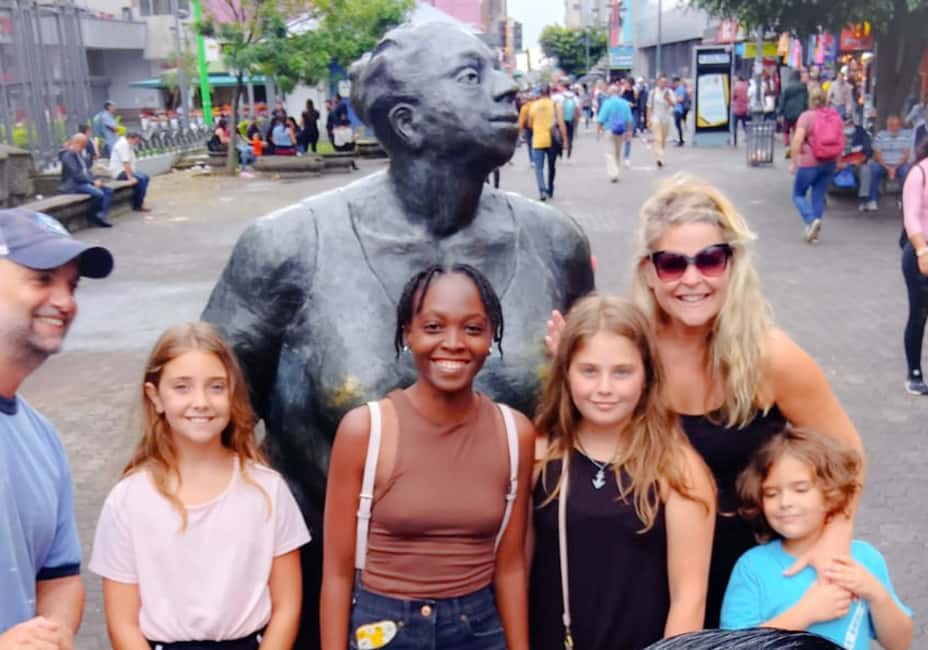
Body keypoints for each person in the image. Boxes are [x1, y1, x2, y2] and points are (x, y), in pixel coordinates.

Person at [202, 21, 595, 647]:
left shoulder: (555, 243)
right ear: (407, 122)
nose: (508, 87)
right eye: (472, 76)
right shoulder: (289, 246)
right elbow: (201, 416)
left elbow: (601, 406)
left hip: (506, 601)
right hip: (335, 605)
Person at [546, 175, 864, 627]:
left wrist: (833, 540)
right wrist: (570, 363)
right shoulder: (631, 352)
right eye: (672, 264)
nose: (692, 279)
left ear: (732, 265)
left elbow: (849, 454)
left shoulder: (769, 357)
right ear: (648, 272)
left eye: (710, 260)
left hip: (750, 579)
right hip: (648, 569)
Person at [321, 265, 534, 650]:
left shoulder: (514, 433)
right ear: (408, 333)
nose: (453, 343)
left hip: (478, 630)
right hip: (384, 630)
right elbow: (336, 574)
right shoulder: (366, 431)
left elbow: (511, 567)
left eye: (473, 328)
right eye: (433, 327)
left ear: (491, 337)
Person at [89, 322, 310, 649]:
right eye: (182, 387)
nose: (201, 402)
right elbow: (123, 624)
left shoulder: (268, 490)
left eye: (216, 387)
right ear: (155, 396)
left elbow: (287, 606)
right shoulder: (128, 499)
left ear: (233, 394)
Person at [529, 295, 715, 650]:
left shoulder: (677, 469)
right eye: (589, 371)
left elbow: (689, 597)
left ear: (647, 375)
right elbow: (516, 569)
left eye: (622, 372)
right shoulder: (540, 454)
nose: (604, 388)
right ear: (565, 372)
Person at [0, 207, 114, 648]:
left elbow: (59, 576)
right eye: (42, 278)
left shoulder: (43, 439)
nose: (65, 301)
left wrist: (54, 634)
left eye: (72, 285)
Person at [721, 428, 913, 650]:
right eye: (771, 493)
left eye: (801, 489)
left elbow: (900, 644)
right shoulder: (752, 567)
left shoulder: (864, 559)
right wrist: (804, 614)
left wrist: (877, 595)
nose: (785, 502)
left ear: (832, 494)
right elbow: (734, 646)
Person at [790, 87, 845, 243]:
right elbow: (841, 139)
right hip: (829, 161)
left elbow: (797, 140)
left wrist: (794, 162)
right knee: (818, 195)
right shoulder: (835, 116)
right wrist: (839, 160)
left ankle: (810, 220)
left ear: (810, 100)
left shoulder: (806, 117)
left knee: (798, 194)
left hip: (809, 162)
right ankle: (814, 234)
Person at [901, 138, 928, 395]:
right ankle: (914, 372)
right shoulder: (919, 173)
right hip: (921, 250)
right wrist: (922, 251)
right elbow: (911, 217)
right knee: (919, 314)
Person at [60, 132, 114, 228]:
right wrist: (92, 182)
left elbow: (86, 171)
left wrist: (95, 179)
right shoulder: (67, 156)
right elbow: (77, 175)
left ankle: (102, 215)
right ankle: (92, 215)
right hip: (74, 185)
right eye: (82, 146)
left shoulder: (79, 155)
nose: (83, 148)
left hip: (83, 182)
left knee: (108, 190)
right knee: (99, 194)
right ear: (76, 143)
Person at [529, 84, 567, 201]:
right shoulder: (555, 105)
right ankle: (550, 188)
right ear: (550, 93)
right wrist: (565, 140)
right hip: (552, 141)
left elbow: (529, 124)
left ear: (540, 93)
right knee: (551, 166)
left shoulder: (533, 106)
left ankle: (542, 191)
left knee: (538, 168)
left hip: (538, 139)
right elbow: (561, 124)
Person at [867, 115, 912, 210]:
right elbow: (877, 155)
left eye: (896, 125)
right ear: (887, 126)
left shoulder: (906, 136)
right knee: (874, 169)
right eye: (891, 125)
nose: (894, 128)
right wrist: (888, 168)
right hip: (883, 164)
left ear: (900, 125)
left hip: (900, 164)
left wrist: (895, 168)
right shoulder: (880, 136)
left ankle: (904, 200)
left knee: (906, 171)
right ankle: (872, 200)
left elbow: (906, 155)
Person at [596, 85, 634, 183]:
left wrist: (598, 131)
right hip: (621, 131)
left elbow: (601, 119)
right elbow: (629, 119)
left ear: (610, 93)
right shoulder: (625, 103)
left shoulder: (607, 103)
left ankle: (614, 174)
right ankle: (616, 171)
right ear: (618, 93)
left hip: (609, 130)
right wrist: (629, 132)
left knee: (609, 153)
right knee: (617, 152)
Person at [109, 131, 151, 213]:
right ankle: (138, 204)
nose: (137, 142)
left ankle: (141, 201)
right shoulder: (123, 145)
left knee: (145, 177)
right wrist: (130, 177)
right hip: (119, 172)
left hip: (125, 171)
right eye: (137, 140)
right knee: (141, 179)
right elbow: (126, 163)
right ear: (132, 138)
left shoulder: (128, 145)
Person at [647, 75, 675, 167]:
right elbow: (649, 107)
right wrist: (648, 119)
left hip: (666, 119)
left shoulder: (669, 92)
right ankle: (660, 159)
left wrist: (668, 99)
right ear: (658, 82)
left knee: (663, 140)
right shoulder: (653, 92)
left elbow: (673, 104)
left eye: (665, 82)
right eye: (662, 82)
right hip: (656, 118)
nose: (663, 84)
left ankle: (660, 154)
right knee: (658, 139)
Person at [779, 70, 809, 150]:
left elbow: (782, 101)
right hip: (800, 112)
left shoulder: (786, 87)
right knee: (797, 129)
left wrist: (780, 112)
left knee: (786, 129)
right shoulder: (803, 87)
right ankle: (798, 145)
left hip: (788, 112)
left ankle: (787, 144)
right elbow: (806, 100)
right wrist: (806, 110)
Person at [731, 75, 750, 148]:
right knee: (744, 125)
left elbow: (733, 97)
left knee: (734, 126)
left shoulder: (736, 86)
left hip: (737, 108)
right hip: (744, 108)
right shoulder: (746, 86)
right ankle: (748, 138)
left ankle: (735, 142)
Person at [561, 87, 578, 160]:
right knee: (570, 136)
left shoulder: (563, 101)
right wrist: (576, 119)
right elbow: (576, 110)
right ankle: (569, 150)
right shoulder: (574, 100)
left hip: (564, 120)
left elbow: (561, 110)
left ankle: (563, 147)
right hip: (571, 120)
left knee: (563, 134)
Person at [672, 76, 689, 146]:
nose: (674, 84)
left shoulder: (680, 89)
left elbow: (681, 99)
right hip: (677, 109)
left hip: (679, 109)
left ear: (678, 82)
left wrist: (674, 100)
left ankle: (681, 140)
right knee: (677, 125)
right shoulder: (678, 89)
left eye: (675, 83)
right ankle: (680, 139)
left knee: (678, 125)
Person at [518, 93, 535, 165]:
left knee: (530, 145)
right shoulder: (535, 105)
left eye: (522, 99)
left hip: (528, 128)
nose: (521, 101)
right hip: (536, 127)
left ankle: (532, 160)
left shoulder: (524, 108)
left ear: (526, 99)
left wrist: (520, 132)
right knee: (536, 144)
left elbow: (521, 121)